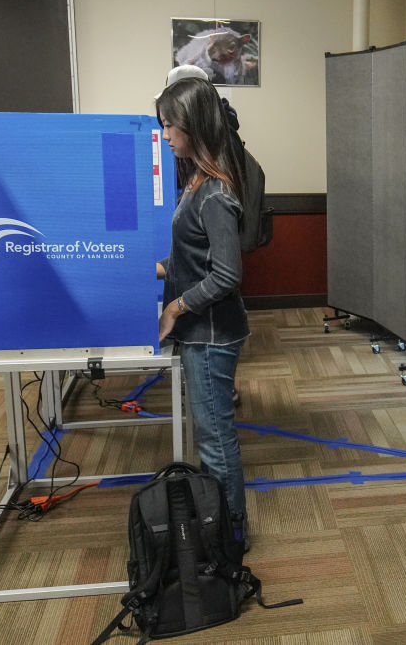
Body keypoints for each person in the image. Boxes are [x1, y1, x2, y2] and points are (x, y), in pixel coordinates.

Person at [155, 77, 250, 541]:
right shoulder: (194, 182)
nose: (166, 135)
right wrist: (160, 269)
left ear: (193, 125)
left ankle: (231, 537)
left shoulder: (215, 193)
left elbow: (227, 275)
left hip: (212, 335)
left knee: (215, 441)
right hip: (201, 332)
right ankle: (219, 526)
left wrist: (175, 306)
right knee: (209, 436)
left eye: (171, 125)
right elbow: (197, 258)